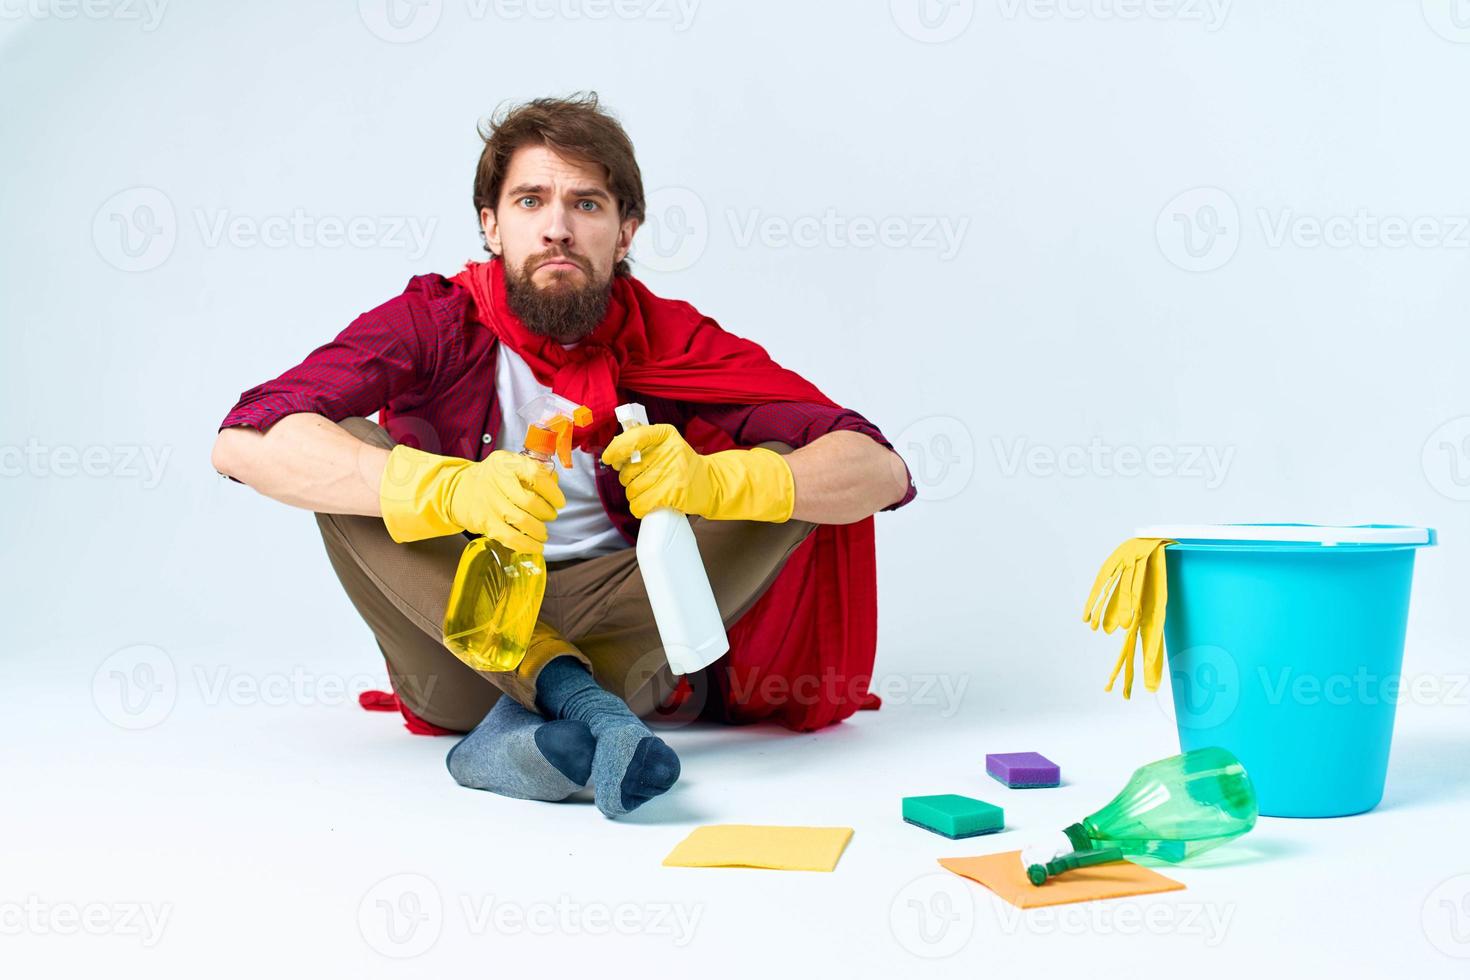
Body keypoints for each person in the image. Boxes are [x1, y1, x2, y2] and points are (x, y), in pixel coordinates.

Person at [210, 93, 916, 818]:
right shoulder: (433, 322)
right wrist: (449, 491)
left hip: (621, 634)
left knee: (786, 471)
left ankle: (524, 737)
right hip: (459, 633)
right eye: (530, 201)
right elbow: (243, 440)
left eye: (586, 204)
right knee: (340, 443)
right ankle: (583, 708)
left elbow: (879, 469)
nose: (556, 229)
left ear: (626, 229)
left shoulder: (671, 337)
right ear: (492, 224)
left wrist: (719, 480)